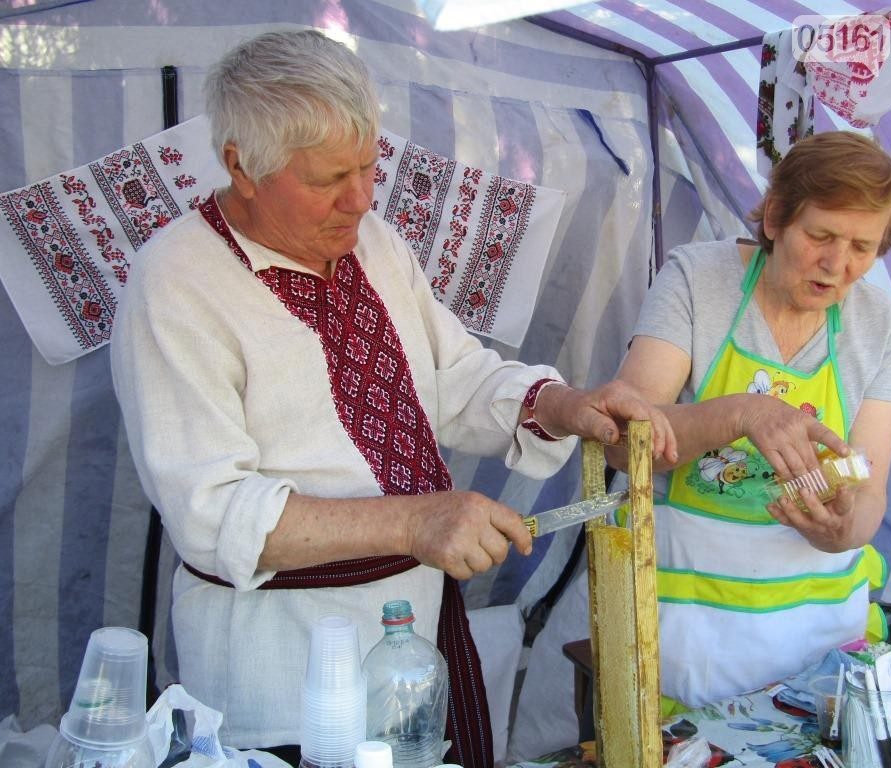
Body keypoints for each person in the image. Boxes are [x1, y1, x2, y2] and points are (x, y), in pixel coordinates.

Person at [109, 29, 675, 767]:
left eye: (370, 167)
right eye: (328, 180)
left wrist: (559, 404)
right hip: (285, 663)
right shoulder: (175, 285)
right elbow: (210, 512)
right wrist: (418, 520)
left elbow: (451, 379)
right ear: (240, 168)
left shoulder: (374, 243)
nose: (361, 198)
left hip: (413, 639)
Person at [612, 131, 891, 707]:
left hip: (818, 633)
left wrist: (841, 532)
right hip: (687, 624)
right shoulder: (698, 281)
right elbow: (622, 442)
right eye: (820, 236)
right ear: (775, 217)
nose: (837, 264)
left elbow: (869, 488)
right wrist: (741, 412)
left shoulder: (880, 325)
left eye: (862, 247)